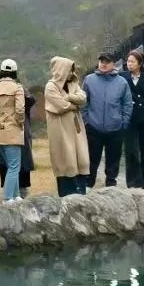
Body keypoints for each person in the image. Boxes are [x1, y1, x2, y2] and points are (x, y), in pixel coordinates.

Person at [81, 53, 132, 188]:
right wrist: (86, 121)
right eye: (101, 61)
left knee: (113, 158)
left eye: (107, 62)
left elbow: (127, 104)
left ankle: (111, 181)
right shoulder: (89, 80)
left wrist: (124, 122)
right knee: (92, 157)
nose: (103, 64)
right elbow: (83, 102)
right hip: (94, 126)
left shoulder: (121, 82)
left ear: (113, 64)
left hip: (115, 127)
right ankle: (88, 183)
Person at [45, 57, 90, 196]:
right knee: (65, 158)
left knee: (80, 157)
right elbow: (60, 106)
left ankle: (80, 190)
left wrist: (70, 97)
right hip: (60, 129)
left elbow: (83, 98)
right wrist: (74, 105)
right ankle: (67, 192)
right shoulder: (51, 87)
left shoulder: (73, 84)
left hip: (76, 127)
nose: (71, 73)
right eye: (69, 70)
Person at [0, 59, 26, 203]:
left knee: (11, 165)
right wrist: (19, 123)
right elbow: (20, 109)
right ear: (15, 72)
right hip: (12, 131)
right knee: (14, 166)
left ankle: (16, 195)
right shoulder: (17, 88)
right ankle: (8, 197)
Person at [120, 50, 144, 189]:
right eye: (128, 61)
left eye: (132, 61)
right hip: (129, 118)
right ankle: (134, 181)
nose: (129, 64)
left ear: (140, 63)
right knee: (131, 150)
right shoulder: (122, 77)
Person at [0, 87, 36, 197]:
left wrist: (20, 93)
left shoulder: (20, 90)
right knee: (7, 164)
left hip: (22, 131)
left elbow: (31, 101)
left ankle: (22, 189)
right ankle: (9, 192)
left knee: (23, 160)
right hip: (4, 130)